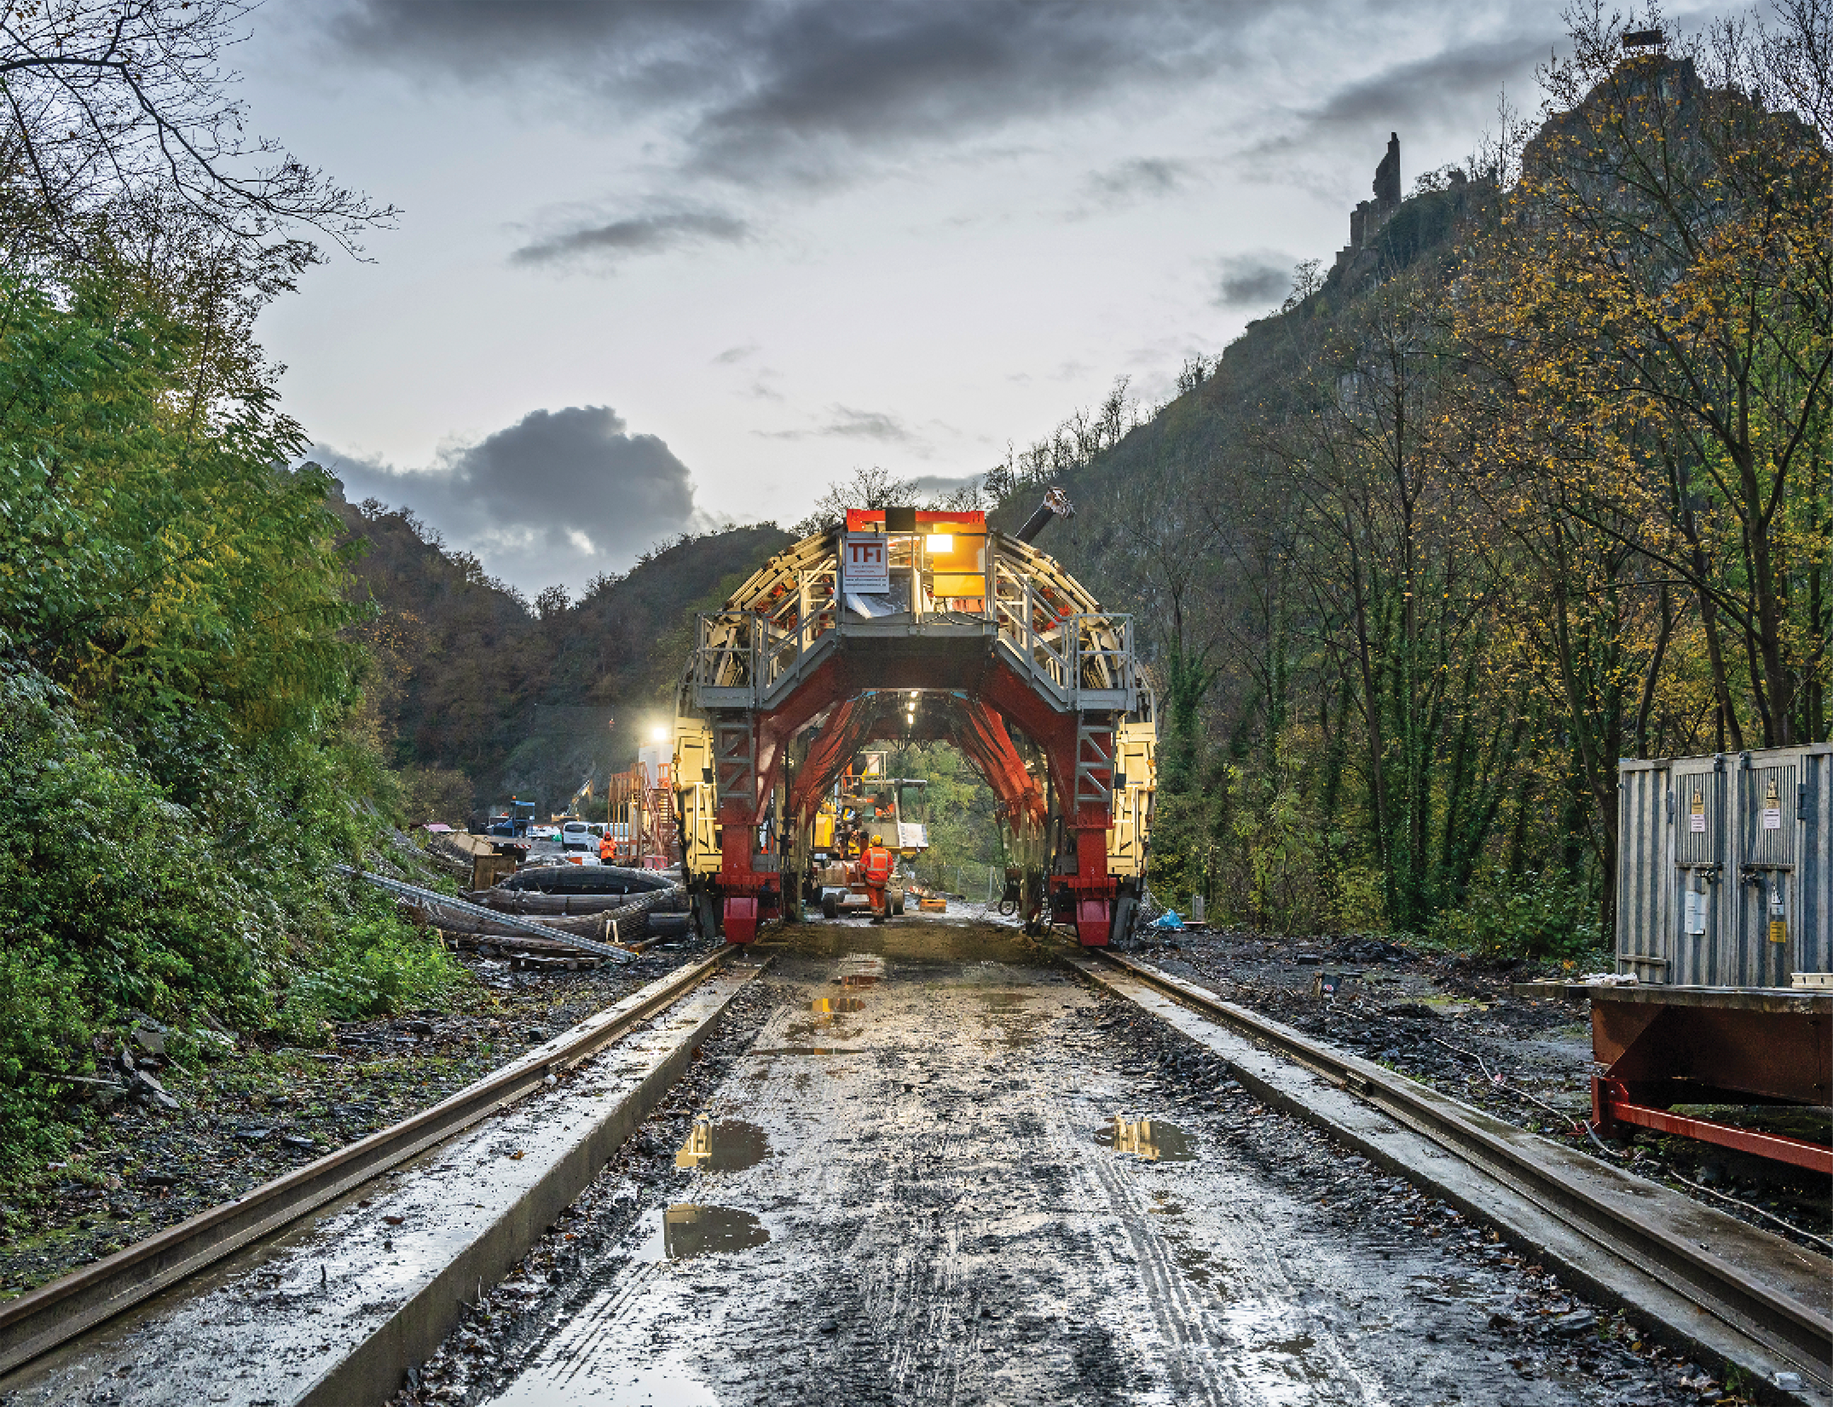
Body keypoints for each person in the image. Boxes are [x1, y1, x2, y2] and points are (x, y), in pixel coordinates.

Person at [861, 832, 894, 923]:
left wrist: (863, 875)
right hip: (882, 880)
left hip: (871, 880)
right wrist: (887, 876)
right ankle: (882, 915)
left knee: (873, 897)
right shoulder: (887, 853)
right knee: (880, 897)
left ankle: (876, 917)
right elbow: (891, 867)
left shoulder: (868, 852)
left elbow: (862, 866)